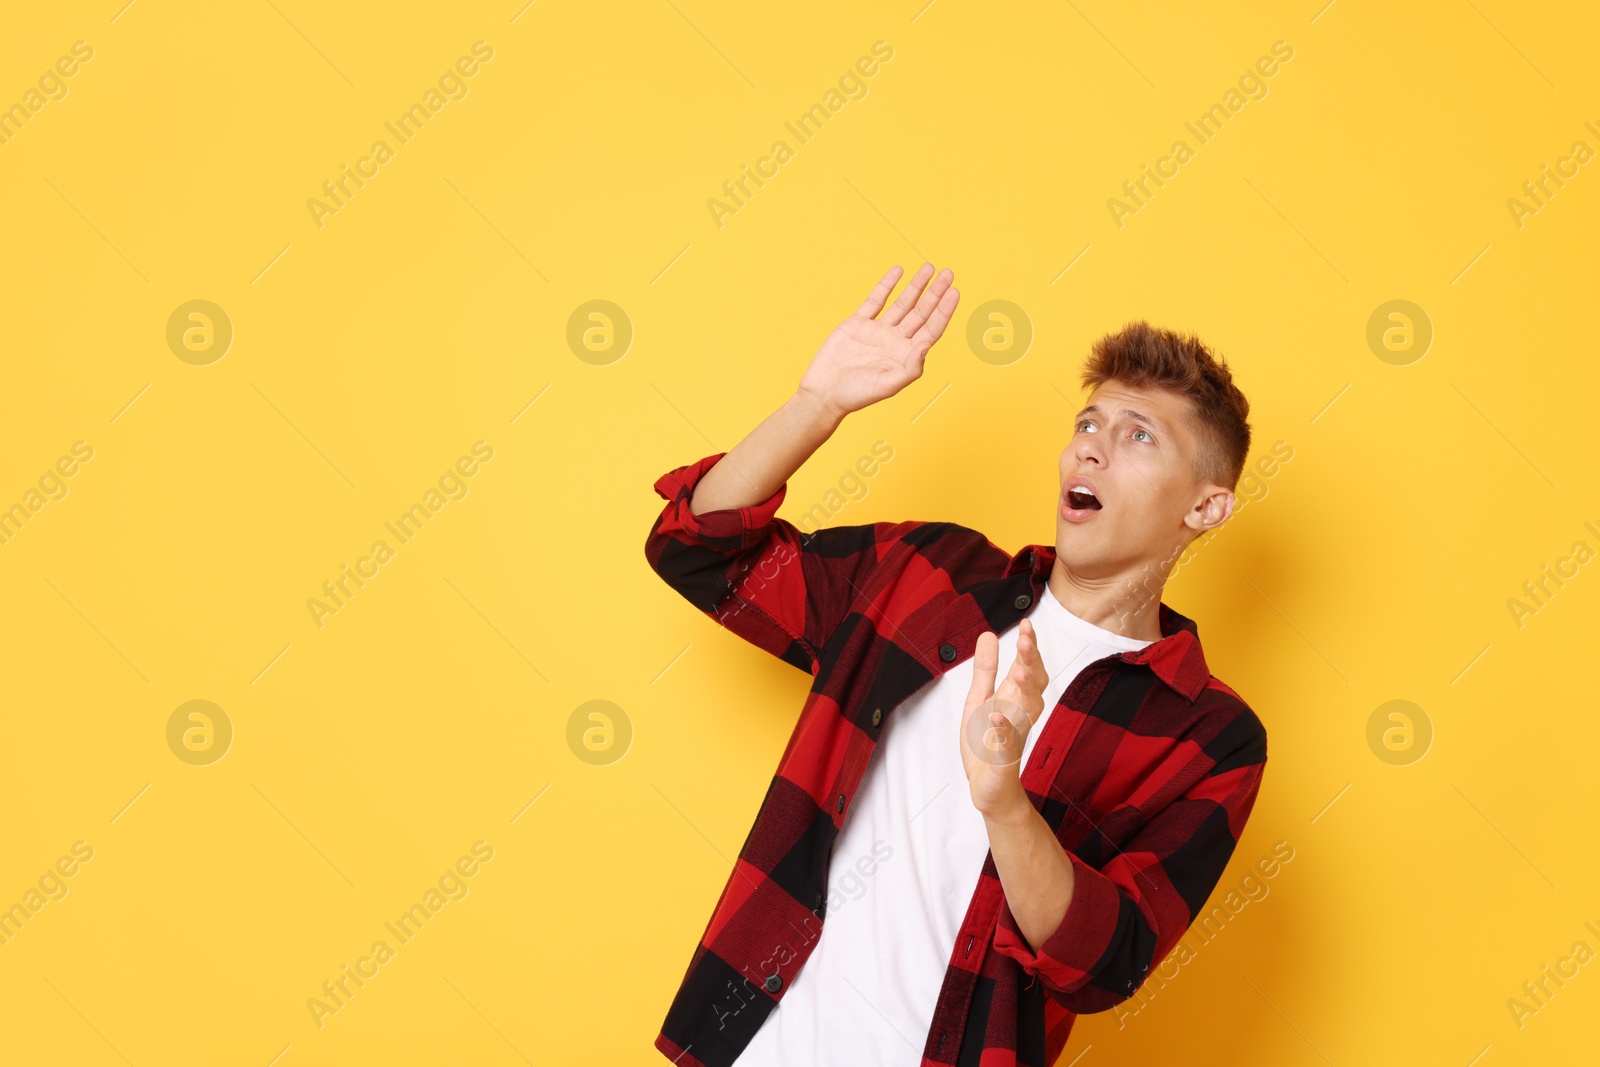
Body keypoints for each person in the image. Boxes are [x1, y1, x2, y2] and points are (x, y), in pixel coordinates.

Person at [646, 264, 1268, 1067]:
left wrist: (1004, 801)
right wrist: (819, 404)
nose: (1092, 449)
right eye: (1088, 423)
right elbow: (698, 553)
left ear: (1206, 506)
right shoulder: (926, 570)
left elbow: (1105, 963)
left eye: (1138, 434)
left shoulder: (1210, 734)